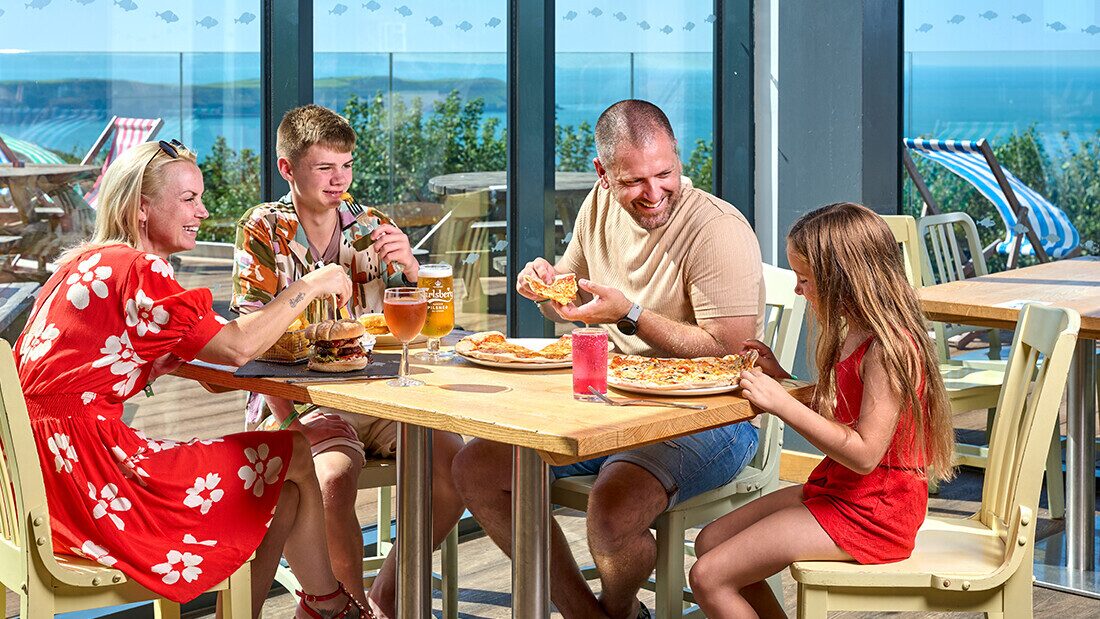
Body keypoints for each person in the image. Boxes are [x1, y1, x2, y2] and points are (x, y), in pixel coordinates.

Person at [15, 139, 365, 618]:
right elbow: (238, 346)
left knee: (279, 490)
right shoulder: (138, 271)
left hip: (35, 481)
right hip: (93, 479)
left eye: (200, 198)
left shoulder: (83, 264)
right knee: (297, 450)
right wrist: (312, 283)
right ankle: (331, 606)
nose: (202, 211)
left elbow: (114, 364)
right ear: (141, 209)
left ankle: (317, 606)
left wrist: (173, 361)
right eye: (188, 200)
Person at [451, 99, 765, 619]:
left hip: (714, 417)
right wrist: (549, 289)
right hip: (615, 403)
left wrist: (632, 315)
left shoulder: (716, 229)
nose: (654, 192)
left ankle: (618, 611)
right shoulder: (598, 204)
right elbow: (570, 302)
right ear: (602, 173)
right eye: (634, 181)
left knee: (612, 510)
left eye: (665, 173)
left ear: (677, 158)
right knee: (477, 467)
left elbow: (732, 354)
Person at [231, 104, 465, 618]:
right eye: (325, 168)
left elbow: (416, 327)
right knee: (332, 475)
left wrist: (409, 272)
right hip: (293, 399)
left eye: (347, 165)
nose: (340, 180)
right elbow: (249, 344)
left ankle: (380, 597)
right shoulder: (263, 231)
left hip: (373, 392)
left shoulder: (370, 227)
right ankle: (340, 605)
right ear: (287, 168)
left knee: (457, 463)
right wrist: (287, 413)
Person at [687, 202, 956, 618]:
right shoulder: (860, 331)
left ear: (843, 280)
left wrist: (780, 406)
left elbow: (865, 453)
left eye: (805, 279)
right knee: (711, 542)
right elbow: (844, 406)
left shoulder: (889, 349)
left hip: (873, 511)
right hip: (842, 490)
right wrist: (784, 383)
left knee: (708, 576)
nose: (798, 290)